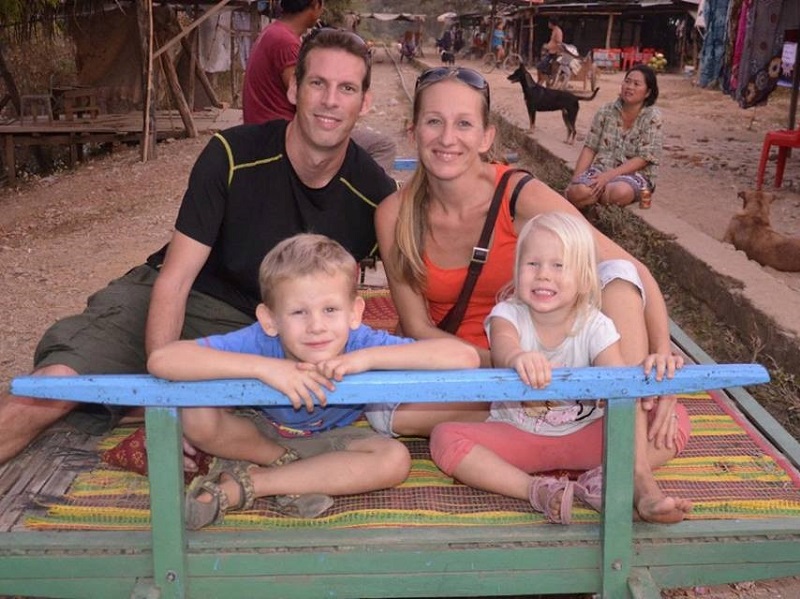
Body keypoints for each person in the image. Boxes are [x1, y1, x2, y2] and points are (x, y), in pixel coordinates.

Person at [0, 28, 397, 467]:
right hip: (182, 301)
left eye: (346, 88)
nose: (329, 100)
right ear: (292, 88)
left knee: (239, 414)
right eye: (317, 83)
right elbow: (176, 279)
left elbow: (414, 289)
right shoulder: (233, 154)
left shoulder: (375, 194)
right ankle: (130, 404)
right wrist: (163, 401)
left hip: (269, 329)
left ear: (365, 103)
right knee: (53, 390)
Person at [370, 66, 681, 452]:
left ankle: (624, 443)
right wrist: (513, 363)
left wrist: (662, 359)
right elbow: (418, 329)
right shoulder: (393, 214)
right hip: (470, 368)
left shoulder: (517, 194)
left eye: (464, 124)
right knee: (391, 416)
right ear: (413, 131)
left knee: (616, 278)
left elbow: (632, 269)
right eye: (434, 122)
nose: (448, 138)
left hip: (550, 353)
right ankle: (597, 426)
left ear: (486, 137)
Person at [147, 234, 480, 530]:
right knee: (194, 408)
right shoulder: (261, 340)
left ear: (355, 313)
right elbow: (162, 360)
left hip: (334, 439)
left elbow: (464, 358)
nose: (316, 326)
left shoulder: (360, 343)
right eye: (298, 313)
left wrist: (368, 360)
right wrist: (264, 368)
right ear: (270, 319)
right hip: (259, 435)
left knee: (394, 459)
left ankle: (255, 483)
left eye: (330, 309)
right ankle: (296, 471)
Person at [429, 212, 692, 525]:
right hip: (520, 434)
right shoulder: (507, 315)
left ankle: (607, 477)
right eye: (532, 264)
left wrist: (652, 368)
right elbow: (503, 348)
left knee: (676, 422)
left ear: (583, 279)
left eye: (558, 266)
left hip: (588, 437)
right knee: (444, 437)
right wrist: (517, 358)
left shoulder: (596, 324)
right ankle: (536, 489)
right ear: (517, 271)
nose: (543, 275)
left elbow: (619, 381)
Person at [242, 0, 397, 173]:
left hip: (262, 126)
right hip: (280, 134)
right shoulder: (286, 42)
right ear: (316, 4)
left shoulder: (273, 31)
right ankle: (356, 196)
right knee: (382, 145)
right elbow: (305, 99)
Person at [565, 65, 663, 209]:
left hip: (635, 175)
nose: (629, 87)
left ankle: (594, 200)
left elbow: (643, 158)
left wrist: (608, 177)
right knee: (579, 191)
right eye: (627, 81)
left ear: (648, 92)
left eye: (636, 84)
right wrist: (574, 181)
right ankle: (589, 198)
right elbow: (590, 148)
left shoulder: (652, 116)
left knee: (618, 192)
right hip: (601, 170)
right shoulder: (606, 111)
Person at [536, 17, 563, 85]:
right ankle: (541, 81)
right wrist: (547, 46)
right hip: (550, 52)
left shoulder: (558, 31)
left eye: (549, 23)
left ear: (551, 23)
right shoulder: (554, 30)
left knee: (541, 67)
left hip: (554, 53)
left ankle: (541, 82)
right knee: (541, 68)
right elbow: (552, 41)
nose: (548, 24)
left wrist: (550, 47)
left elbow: (559, 43)